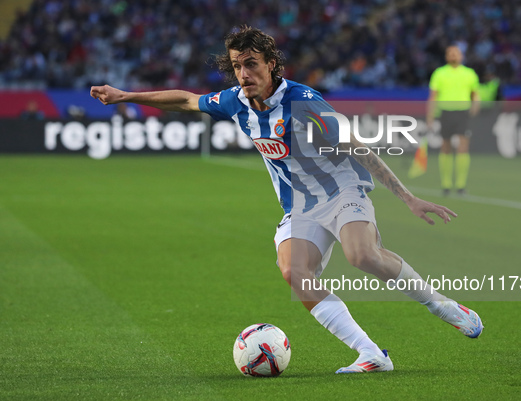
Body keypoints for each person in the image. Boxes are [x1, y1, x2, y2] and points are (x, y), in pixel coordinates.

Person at [91, 26, 483, 374]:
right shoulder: (236, 101)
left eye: (252, 64)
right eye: (237, 66)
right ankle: (371, 354)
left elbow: (357, 147)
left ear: (272, 64)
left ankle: (443, 307)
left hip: (342, 189)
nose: (244, 74)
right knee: (294, 273)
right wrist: (126, 95)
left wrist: (408, 197)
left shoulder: (303, 101)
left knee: (362, 256)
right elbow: (188, 101)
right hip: (300, 206)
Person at [427, 45, 480, 196]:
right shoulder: (440, 73)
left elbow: (475, 94)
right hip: (446, 112)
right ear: (446, 56)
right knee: (445, 146)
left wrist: (475, 106)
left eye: (456, 53)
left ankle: (461, 185)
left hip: (463, 113)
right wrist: (430, 116)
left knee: (463, 146)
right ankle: (446, 184)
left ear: (461, 56)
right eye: (450, 53)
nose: (453, 56)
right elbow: (433, 96)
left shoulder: (469, 73)